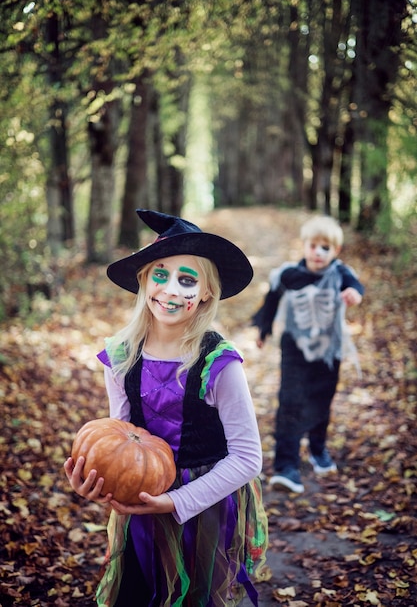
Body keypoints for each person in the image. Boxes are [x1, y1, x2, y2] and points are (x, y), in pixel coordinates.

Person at [64, 209, 268, 607]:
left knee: (195, 598)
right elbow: (120, 439)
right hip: (142, 503)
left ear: (207, 292)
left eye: (187, 280)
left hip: (204, 507)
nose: (170, 290)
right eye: (160, 274)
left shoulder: (218, 363)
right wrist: (98, 480)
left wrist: (177, 500)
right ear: (144, 280)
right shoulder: (121, 357)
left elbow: (248, 458)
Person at [252, 215, 364, 495]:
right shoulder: (288, 275)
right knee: (289, 403)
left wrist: (353, 294)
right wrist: (263, 329)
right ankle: (286, 466)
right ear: (304, 246)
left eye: (325, 248)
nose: (318, 252)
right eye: (313, 245)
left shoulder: (340, 273)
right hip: (294, 347)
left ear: (335, 252)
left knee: (321, 399)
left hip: (329, 351)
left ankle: (317, 448)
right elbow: (271, 300)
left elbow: (356, 287)